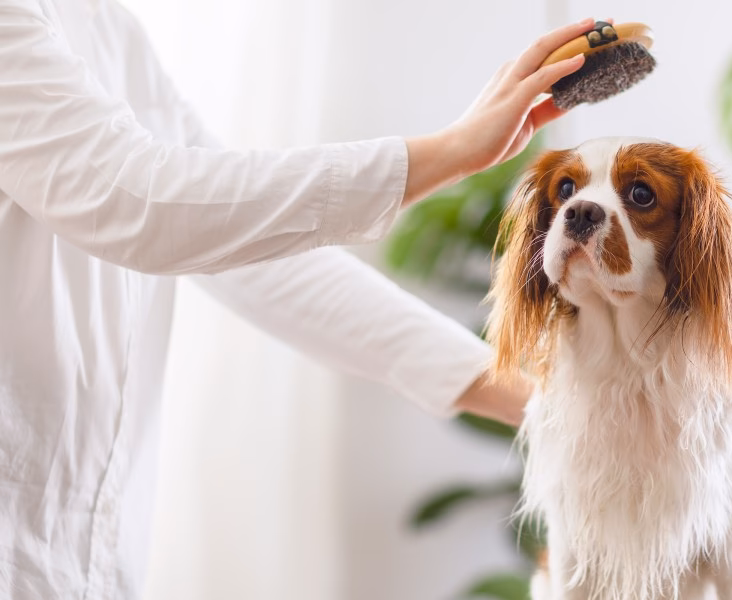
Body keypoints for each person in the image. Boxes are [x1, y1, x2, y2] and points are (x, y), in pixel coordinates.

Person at [0, 0, 596, 597]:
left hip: (88, 559)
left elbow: (258, 261)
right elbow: (143, 205)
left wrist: (537, 404)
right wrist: (452, 150)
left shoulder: (107, 28)